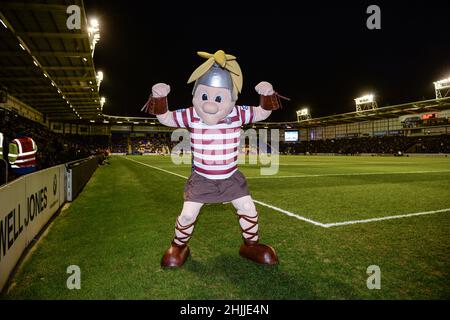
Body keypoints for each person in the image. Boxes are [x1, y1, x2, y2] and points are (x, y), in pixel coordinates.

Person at [142, 50, 286, 268]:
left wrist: (267, 94)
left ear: (231, 98)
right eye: (205, 97)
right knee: (188, 215)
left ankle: (251, 244)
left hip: (230, 177)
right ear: (196, 95)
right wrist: (160, 99)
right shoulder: (192, 114)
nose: (210, 104)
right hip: (202, 178)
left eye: (218, 98)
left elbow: (261, 113)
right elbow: (166, 118)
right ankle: (178, 246)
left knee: (248, 208)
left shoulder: (237, 113)